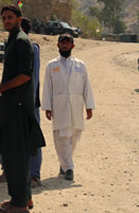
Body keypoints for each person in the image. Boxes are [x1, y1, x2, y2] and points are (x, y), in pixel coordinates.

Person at [0, 5, 45, 213]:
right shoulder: (12, 40)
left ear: (19, 19)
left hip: (17, 107)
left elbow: (25, 75)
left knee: (16, 156)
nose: (6, 21)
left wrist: (0, 89)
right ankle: (23, 198)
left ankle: (19, 205)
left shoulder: (21, 41)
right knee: (12, 155)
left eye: (10, 17)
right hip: (10, 104)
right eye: (4, 18)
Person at [41, 33, 95, 181]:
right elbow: (47, 87)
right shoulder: (51, 66)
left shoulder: (80, 65)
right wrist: (47, 106)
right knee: (61, 137)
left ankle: (64, 163)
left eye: (67, 43)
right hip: (59, 106)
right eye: (62, 43)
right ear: (58, 45)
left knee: (73, 137)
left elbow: (86, 86)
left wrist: (89, 106)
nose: (64, 45)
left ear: (72, 45)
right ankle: (69, 168)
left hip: (76, 106)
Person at [22, 18, 43, 187]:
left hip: (29, 102)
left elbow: (33, 77)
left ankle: (34, 174)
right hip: (14, 102)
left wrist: (29, 101)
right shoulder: (12, 45)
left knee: (32, 138)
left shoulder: (32, 47)